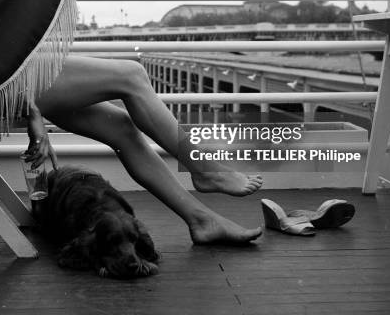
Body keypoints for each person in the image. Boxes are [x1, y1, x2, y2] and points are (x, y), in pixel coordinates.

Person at [23, 55, 263, 244]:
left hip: (9, 70)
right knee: (132, 75)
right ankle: (204, 170)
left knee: (122, 128)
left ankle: (201, 220)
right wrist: (33, 111)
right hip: (3, 78)